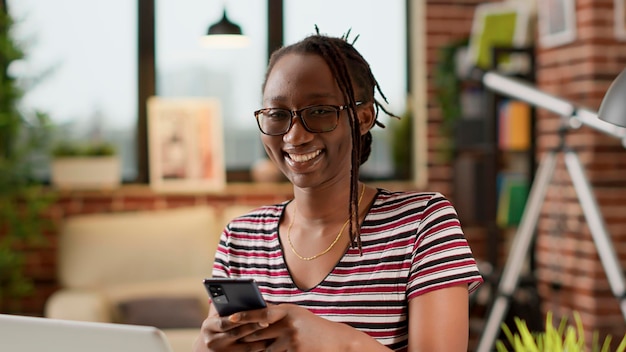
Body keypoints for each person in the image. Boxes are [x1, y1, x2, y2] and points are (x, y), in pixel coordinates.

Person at [193, 29, 483, 352]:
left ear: (363, 117)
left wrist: (335, 341)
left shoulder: (423, 225)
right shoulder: (241, 238)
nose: (294, 136)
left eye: (319, 112)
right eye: (277, 115)